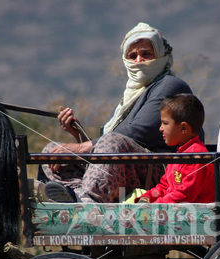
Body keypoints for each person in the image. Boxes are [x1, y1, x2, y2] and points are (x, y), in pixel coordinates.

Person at [41, 22, 199, 203]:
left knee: (111, 141)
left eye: (146, 54)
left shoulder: (170, 85)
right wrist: (78, 136)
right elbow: (106, 149)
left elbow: (138, 131)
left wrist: (80, 148)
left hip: (167, 174)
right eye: (133, 56)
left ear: (161, 55)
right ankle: (70, 194)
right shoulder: (131, 96)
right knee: (51, 151)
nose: (139, 60)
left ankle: (85, 202)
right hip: (126, 168)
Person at [135, 94, 214, 203]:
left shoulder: (196, 157)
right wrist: (147, 197)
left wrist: (155, 206)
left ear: (183, 128)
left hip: (194, 216)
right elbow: (164, 187)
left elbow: (184, 196)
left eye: (165, 123)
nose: (160, 128)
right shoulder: (179, 154)